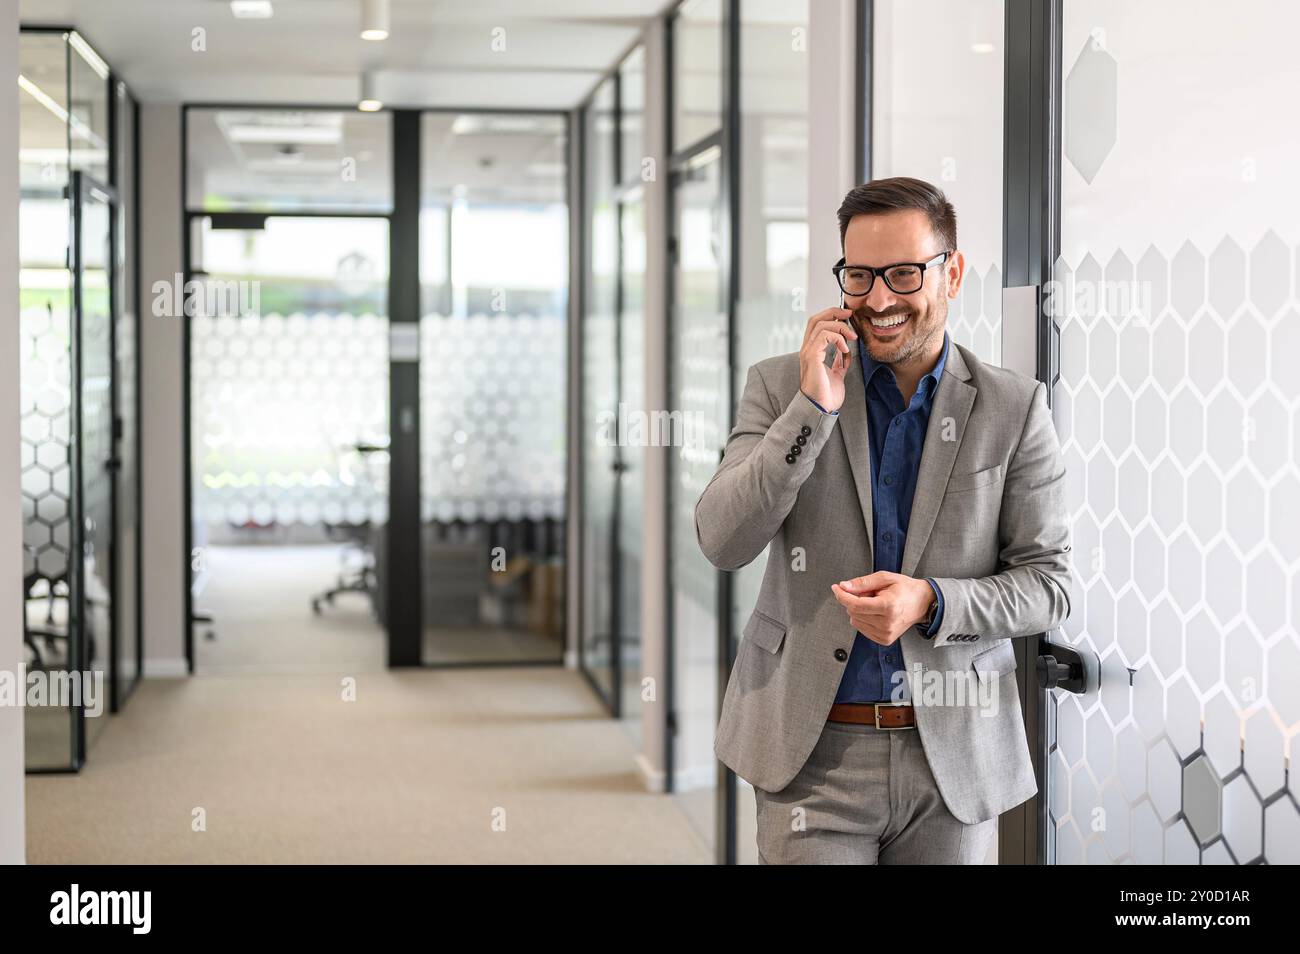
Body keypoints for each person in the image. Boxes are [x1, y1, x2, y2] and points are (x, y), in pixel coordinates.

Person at [695, 176, 1072, 864]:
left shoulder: (1013, 409)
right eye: (859, 276)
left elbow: (1050, 584)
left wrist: (932, 601)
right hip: (812, 754)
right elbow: (723, 539)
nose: (879, 300)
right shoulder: (782, 386)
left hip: (953, 760)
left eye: (903, 273)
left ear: (951, 273)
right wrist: (813, 409)